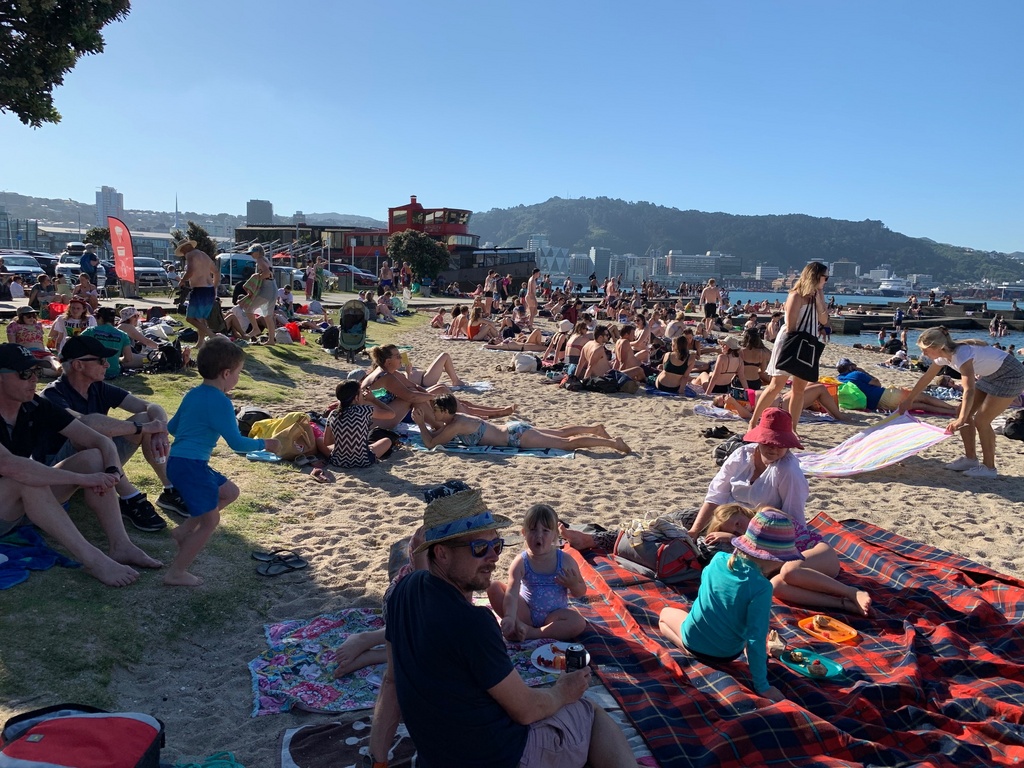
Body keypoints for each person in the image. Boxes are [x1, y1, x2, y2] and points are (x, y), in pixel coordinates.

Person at [370, 486, 634, 768]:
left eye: (496, 545)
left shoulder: (402, 592)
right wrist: (562, 691)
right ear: (442, 554)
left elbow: (391, 681)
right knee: (588, 711)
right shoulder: (473, 622)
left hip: (439, 755)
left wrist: (378, 761)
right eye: (480, 548)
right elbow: (527, 710)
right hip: (504, 755)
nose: (494, 557)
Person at [0, 343, 160, 586]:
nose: (34, 379)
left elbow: (98, 439)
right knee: (25, 479)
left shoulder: (34, 405)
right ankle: (93, 560)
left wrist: (112, 470)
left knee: (94, 457)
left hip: (16, 506)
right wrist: (83, 479)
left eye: (36, 371)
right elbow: (11, 466)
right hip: (11, 495)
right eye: (25, 373)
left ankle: (121, 545)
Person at [688, 408, 868, 615]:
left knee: (790, 571)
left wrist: (736, 538)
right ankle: (844, 605)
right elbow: (715, 496)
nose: (773, 448)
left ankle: (851, 592)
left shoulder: (785, 477)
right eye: (768, 442)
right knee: (776, 586)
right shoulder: (742, 456)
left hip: (803, 549)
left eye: (780, 444)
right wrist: (695, 531)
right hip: (769, 550)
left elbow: (794, 522)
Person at [164, 337, 281, 586]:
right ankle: (176, 572)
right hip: (191, 465)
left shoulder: (192, 394)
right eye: (238, 373)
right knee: (211, 522)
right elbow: (237, 443)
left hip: (179, 461)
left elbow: (172, 428)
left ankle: (183, 531)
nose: (238, 378)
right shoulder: (221, 402)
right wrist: (265, 443)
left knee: (229, 492)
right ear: (226, 373)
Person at [658, 507, 805, 703]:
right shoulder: (762, 587)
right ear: (776, 558)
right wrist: (763, 686)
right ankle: (693, 648)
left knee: (664, 614)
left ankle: (688, 648)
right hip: (727, 653)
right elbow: (755, 638)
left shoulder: (718, 559)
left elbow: (705, 593)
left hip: (695, 639)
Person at [898, 327, 1024, 478]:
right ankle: (970, 460)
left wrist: (962, 419)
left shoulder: (962, 355)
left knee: (981, 420)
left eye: (925, 350)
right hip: (991, 375)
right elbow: (926, 378)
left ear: (939, 347)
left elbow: (969, 389)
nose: (923, 354)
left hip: (1011, 375)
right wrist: (909, 400)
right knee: (961, 412)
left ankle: (989, 468)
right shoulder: (942, 357)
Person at [487, 503, 587, 642]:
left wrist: (574, 585)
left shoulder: (565, 560)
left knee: (578, 622)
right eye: (533, 530)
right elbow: (512, 592)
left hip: (554, 616)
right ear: (524, 533)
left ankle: (533, 633)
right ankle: (517, 626)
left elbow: (581, 592)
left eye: (545, 531)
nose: (539, 535)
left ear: (555, 535)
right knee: (493, 587)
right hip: (526, 613)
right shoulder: (521, 561)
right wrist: (510, 616)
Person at [749, 262, 830, 434]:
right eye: (825, 277)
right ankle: (753, 421)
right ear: (816, 276)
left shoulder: (817, 295)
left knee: (799, 390)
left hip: (807, 344)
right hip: (791, 342)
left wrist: (819, 301)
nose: (826, 281)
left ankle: (792, 429)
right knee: (776, 385)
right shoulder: (796, 295)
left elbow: (824, 321)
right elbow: (791, 325)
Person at [414, 394, 632, 454]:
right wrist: (427, 425)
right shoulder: (456, 420)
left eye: (436, 410)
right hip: (514, 429)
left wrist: (421, 423)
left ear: (445, 411)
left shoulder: (455, 425)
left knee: (566, 444)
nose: (434, 414)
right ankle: (594, 429)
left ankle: (614, 444)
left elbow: (431, 443)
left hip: (515, 437)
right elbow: (437, 436)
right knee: (560, 433)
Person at [835, 357, 958, 415]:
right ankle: (952, 408)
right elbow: (877, 383)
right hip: (886, 396)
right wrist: (863, 371)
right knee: (922, 397)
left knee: (921, 405)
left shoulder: (839, 379)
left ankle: (952, 411)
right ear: (851, 367)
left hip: (878, 405)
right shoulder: (856, 374)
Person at [320, 380, 397, 468]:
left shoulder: (333, 413)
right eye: (361, 392)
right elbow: (391, 414)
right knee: (387, 441)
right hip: (364, 460)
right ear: (356, 397)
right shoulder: (365, 410)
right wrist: (373, 399)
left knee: (323, 441)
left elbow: (327, 442)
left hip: (338, 461)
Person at [179, 240, 219, 348]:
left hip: (200, 290)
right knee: (201, 318)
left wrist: (182, 280)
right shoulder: (204, 255)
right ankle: (200, 343)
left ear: (185, 248)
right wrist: (214, 287)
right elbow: (216, 272)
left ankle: (211, 335)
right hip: (209, 290)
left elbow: (190, 270)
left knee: (190, 318)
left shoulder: (190, 254)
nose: (183, 254)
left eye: (182, 251)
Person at [238, 244, 278, 345]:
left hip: (267, 289)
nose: (251, 255)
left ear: (258, 252)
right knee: (268, 316)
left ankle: (256, 329)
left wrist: (255, 279)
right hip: (273, 287)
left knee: (248, 308)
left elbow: (267, 273)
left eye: (252, 252)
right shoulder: (266, 259)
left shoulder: (260, 260)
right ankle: (271, 340)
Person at [81, 307, 131, 379]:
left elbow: (75, 345)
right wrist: (117, 359)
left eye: (96, 318)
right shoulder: (123, 335)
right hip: (113, 373)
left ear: (100, 318)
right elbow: (128, 358)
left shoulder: (90, 331)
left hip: (92, 372)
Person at [6, 307, 59, 373]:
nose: (32, 318)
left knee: (52, 361)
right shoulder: (14, 326)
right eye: (29, 316)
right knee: (35, 365)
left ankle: (58, 369)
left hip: (41, 352)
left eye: (34, 316)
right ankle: (38, 370)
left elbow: (41, 341)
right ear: (21, 317)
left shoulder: (37, 325)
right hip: (26, 353)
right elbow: (12, 345)